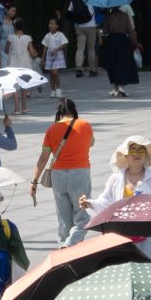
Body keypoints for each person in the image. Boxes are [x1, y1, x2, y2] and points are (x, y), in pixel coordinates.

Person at [80, 136, 151, 259]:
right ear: (126, 156)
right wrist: (89, 204)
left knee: (147, 272)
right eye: (132, 151)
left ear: (145, 155)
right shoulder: (116, 179)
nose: (137, 154)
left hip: (148, 235)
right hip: (121, 235)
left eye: (141, 150)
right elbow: (106, 203)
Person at [29, 98, 93, 247]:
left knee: (64, 219)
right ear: (73, 109)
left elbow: (44, 158)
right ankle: (70, 244)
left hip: (58, 176)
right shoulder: (85, 125)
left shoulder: (51, 129)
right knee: (82, 217)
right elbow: (91, 142)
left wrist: (34, 181)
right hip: (80, 174)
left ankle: (63, 248)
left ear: (59, 111)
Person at [99, 2, 139, 97]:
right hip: (123, 41)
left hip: (111, 41)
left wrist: (102, 33)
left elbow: (105, 31)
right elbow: (130, 30)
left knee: (113, 63)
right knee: (122, 63)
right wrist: (134, 42)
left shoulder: (108, 16)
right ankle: (121, 87)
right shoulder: (125, 16)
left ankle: (115, 87)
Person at [71, 0, 101, 76]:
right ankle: (92, 70)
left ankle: (79, 69)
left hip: (80, 27)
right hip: (91, 26)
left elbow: (70, 12)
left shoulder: (75, 0)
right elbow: (99, 13)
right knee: (91, 49)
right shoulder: (93, 0)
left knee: (80, 48)